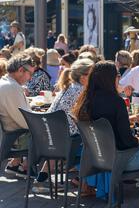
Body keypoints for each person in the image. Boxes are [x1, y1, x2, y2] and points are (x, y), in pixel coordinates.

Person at [72, 61, 139, 198]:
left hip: (94, 158)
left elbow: (107, 124)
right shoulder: (116, 101)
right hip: (118, 160)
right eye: (117, 75)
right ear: (110, 78)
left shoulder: (85, 100)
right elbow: (126, 141)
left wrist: (128, 120)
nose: (119, 79)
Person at [32, 59, 95, 194]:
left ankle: (41, 180)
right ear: (83, 77)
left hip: (50, 139)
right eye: (92, 74)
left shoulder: (68, 87)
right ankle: (85, 184)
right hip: (68, 143)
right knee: (95, 143)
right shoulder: (82, 91)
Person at [0, 53, 34, 176]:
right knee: (49, 132)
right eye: (30, 73)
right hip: (14, 137)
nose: (30, 78)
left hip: (10, 134)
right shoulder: (12, 87)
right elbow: (26, 121)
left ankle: (16, 164)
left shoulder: (5, 82)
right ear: (20, 70)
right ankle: (35, 173)